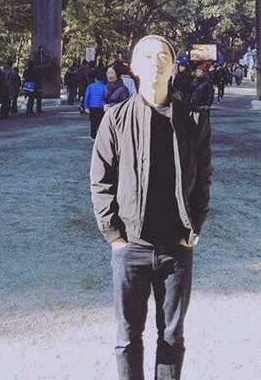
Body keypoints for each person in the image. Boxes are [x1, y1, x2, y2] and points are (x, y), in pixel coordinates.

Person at [90, 34, 212, 380]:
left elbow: (204, 177)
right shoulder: (116, 119)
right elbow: (101, 179)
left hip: (177, 246)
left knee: (171, 335)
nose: (155, 62)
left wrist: (194, 227)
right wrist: (114, 235)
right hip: (132, 246)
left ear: (173, 68)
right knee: (128, 337)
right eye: (146, 56)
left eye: (163, 56)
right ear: (133, 67)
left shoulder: (193, 119)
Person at [83, 69, 107, 139]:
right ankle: (100, 136)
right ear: (103, 80)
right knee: (100, 122)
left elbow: (87, 97)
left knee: (93, 122)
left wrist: (86, 107)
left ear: (95, 79)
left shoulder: (90, 86)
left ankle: (93, 137)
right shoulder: (105, 87)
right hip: (101, 107)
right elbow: (106, 97)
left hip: (92, 106)